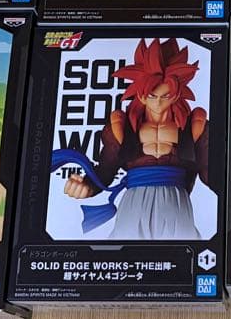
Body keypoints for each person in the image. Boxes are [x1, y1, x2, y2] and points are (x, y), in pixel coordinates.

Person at [57, 38, 208, 239]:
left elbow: (211, 173)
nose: (158, 102)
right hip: (135, 201)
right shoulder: (122, 127)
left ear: (175, 94)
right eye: (152, 96)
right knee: (127, 250)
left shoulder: (194, 126)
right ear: (141, 95)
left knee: (182, 251)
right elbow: (106, 170)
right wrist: (87, 186)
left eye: (165, 96)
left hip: (176, 203)